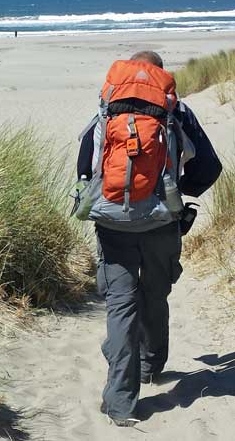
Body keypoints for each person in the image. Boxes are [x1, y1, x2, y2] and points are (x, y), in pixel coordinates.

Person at [75, 51, 222, 427]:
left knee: (121, 306)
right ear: (161, 75)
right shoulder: (176, 112)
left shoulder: (109, 108)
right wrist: (177, 191)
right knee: (155, 294)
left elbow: (84, 164)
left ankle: (121, 403)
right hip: (161, 224)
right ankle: (150, 364)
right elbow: (210, 166)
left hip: (112, 225)